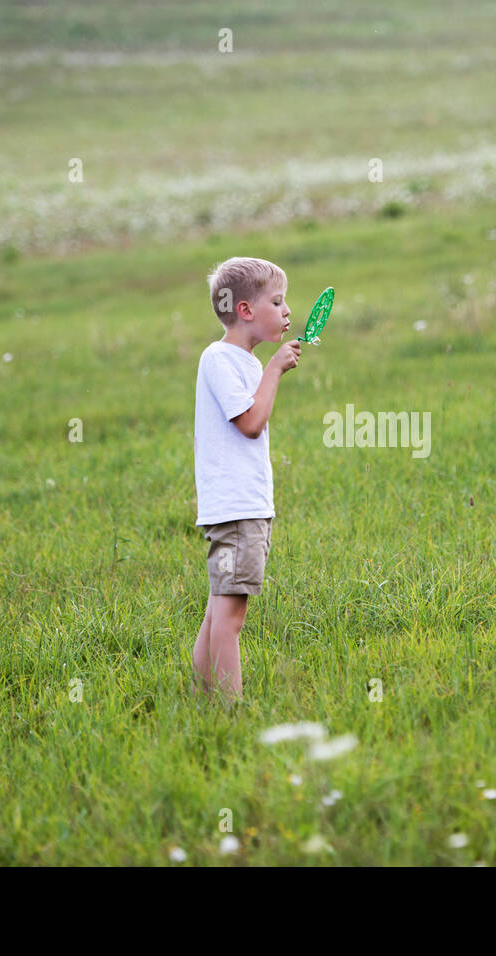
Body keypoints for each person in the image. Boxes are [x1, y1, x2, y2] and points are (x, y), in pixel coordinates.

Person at [192, 257, 301, 701]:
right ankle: (230, 709)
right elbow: (251, 423)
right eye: (277, 301)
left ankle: (202, 699)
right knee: (230, 619)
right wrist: (275, 369)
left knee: (217, 614)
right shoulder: (222, 359)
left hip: (241, 504)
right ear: (245, 311)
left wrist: (268, 369)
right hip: (238, 508)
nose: (288, 310)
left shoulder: (240, 361)